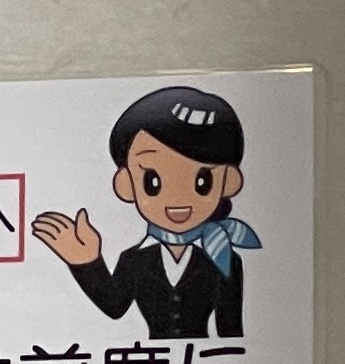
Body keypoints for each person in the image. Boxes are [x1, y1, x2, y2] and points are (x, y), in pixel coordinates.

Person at [30, 85, 256, 340]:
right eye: (153, 182)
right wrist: (87, 261)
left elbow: (232, 331)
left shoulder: (225, 259)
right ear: (126, 184)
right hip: (147, 362)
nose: (178, 198)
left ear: (228, 181)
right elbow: (115, 306)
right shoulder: (134, 260)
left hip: (201, 363)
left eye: (203, 182)